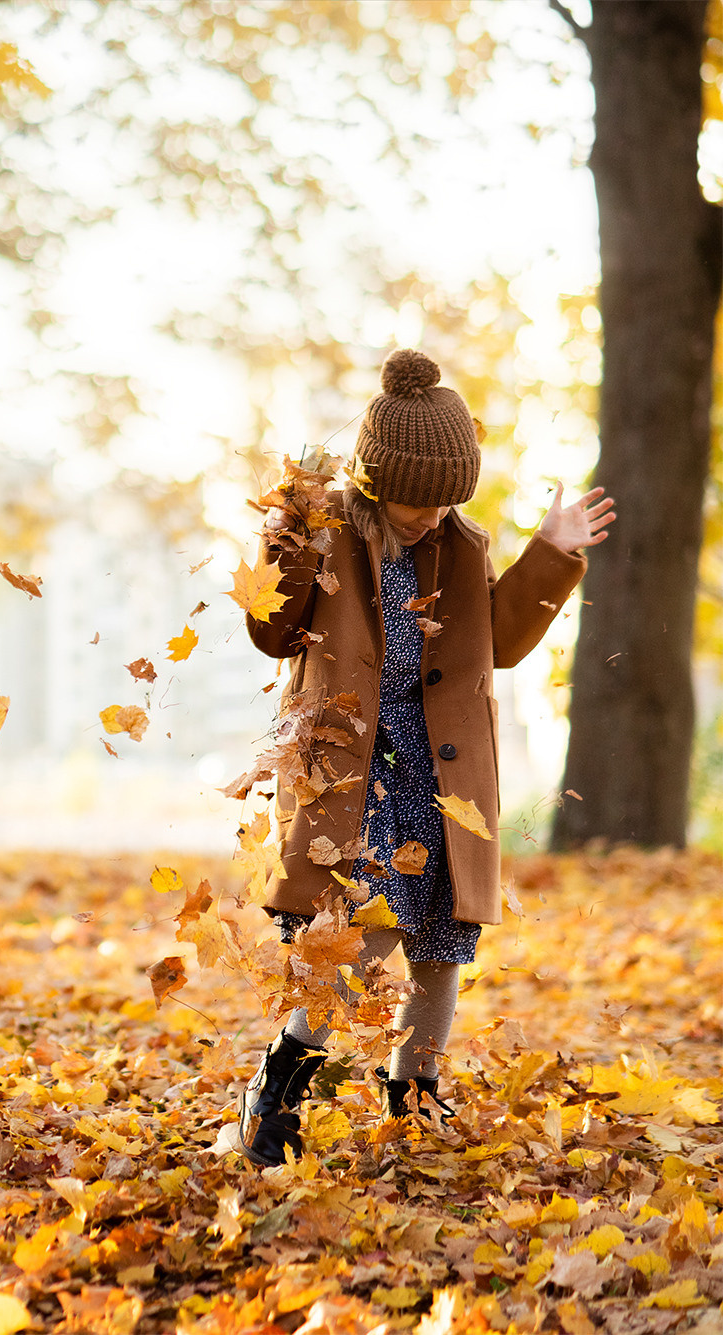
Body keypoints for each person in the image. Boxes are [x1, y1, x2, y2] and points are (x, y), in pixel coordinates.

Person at [235, 349, 614, 1167]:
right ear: (376, 483)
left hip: (441, 769)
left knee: (441, 941)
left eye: (447, 500)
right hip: (354, 767)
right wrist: (287, 531)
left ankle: (415, 1094)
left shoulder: (460, 543)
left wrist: (551, 552)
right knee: (363, 934)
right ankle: (280, 1082)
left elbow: (499, 641)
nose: (432, 515)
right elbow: (271, 630)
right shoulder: (329, 531)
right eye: (419, 500)